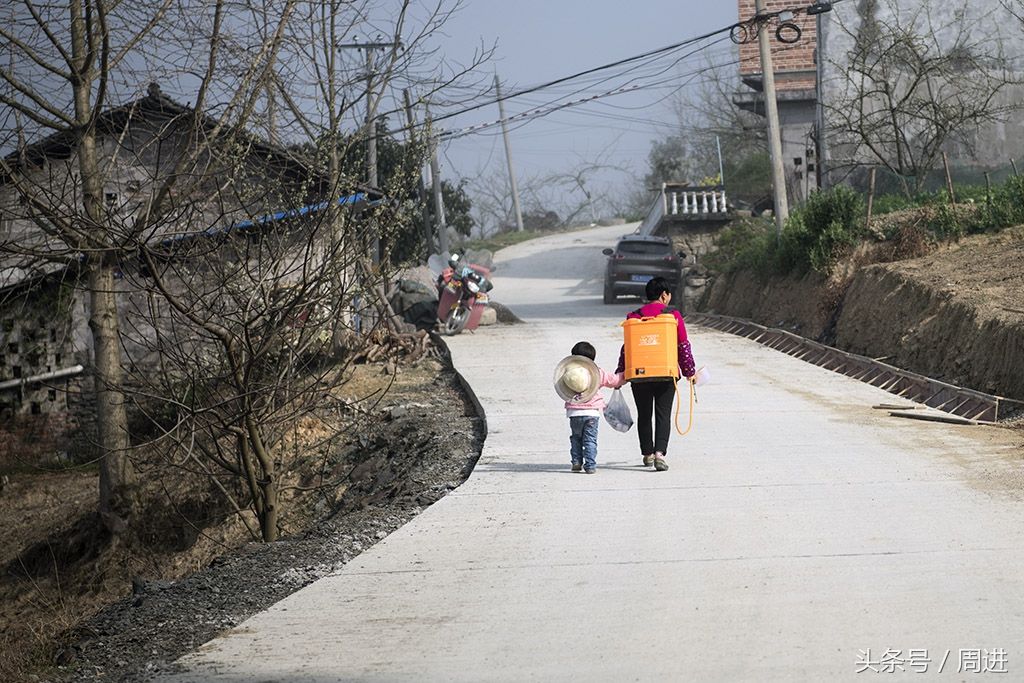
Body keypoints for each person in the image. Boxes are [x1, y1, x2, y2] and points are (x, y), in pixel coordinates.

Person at [615, 277, 696, 472]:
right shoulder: (673, 315)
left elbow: (628, 348)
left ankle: (647, 454)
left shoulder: (633, 317)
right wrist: (689, 371)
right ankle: (660, 454)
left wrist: (621, 373)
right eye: (668, 295)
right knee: (662, 415)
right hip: (666, 374)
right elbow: (683, 346)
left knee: (644, 415)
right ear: (664, 295)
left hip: (639, 375)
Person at [561, 341, 624, 474]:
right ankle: (590, 465)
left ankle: (576, 462)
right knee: (590, 439)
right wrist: (625, 375)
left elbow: (561, 387)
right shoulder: (597, 373)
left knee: (576, 438)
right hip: (592, 414)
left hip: (574, 413)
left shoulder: (568, 374)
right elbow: (613, 380)